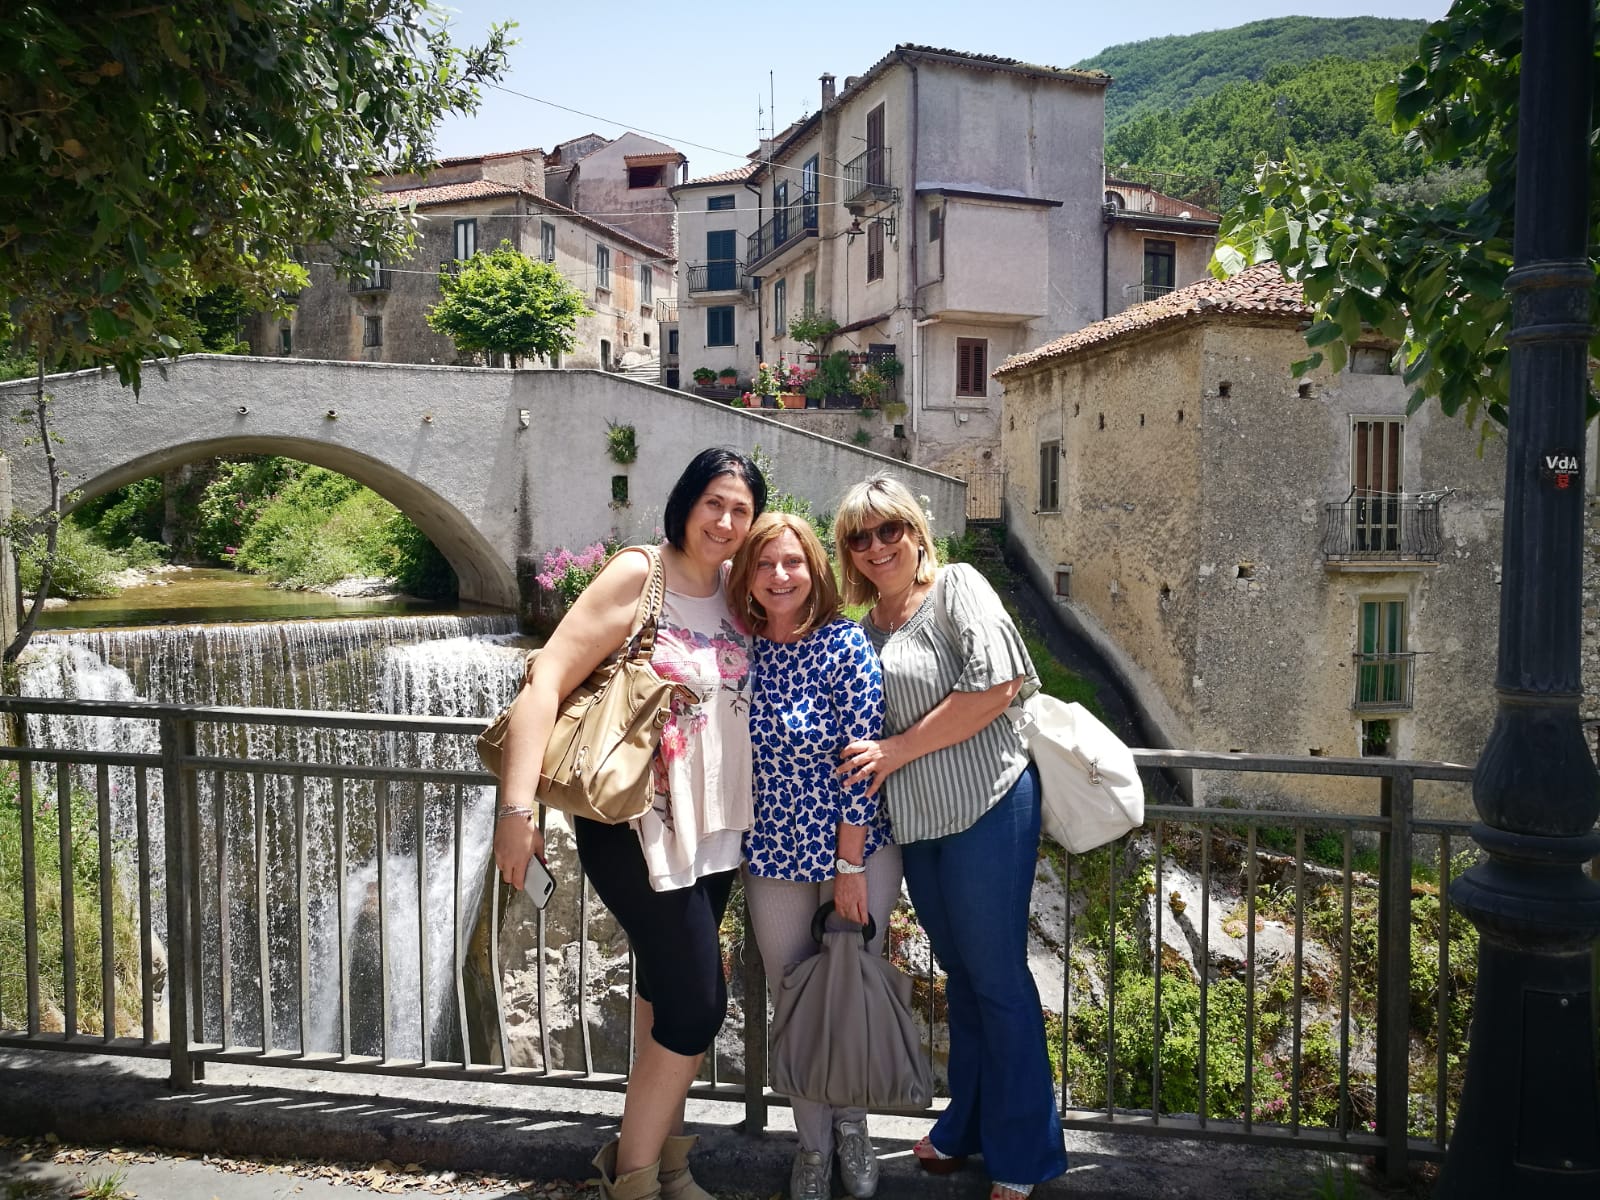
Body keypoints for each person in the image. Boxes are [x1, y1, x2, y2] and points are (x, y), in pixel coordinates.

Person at [493, 447, 767, 1200]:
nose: (726, 520)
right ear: (685, 502)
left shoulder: (733, 588)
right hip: (633, 825)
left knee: (661, 999)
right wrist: (518, 811)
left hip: (712, 831)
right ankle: (635, 1181)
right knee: (698, 1003)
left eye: (741, 509)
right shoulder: (638, 573)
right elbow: (545, 676)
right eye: (714, 502)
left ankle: (665, 1165)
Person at [832, 475, 1066, 1200]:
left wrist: (898, 752)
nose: (876, 547)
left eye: (888, 530)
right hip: (920, 827)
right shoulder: (866, 630)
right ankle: (965, 1126)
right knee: (962, 981)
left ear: (914, 530)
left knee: (997, 981)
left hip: (988, 807)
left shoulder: (957, 587)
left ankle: (1026, 1153)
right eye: (859, 538)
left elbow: (999, 685)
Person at [727, 513, 901, 1200]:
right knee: (792, 1002)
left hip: (851, 852)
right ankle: (811, 1146)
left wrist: (849, 867)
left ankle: (853, 1130)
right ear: (749, 575)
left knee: (847, 996)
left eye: (792, 562)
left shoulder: (843, 645)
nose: (779, 575)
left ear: (815, 571)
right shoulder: (741, 649)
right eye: (765, 563)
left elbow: (860, 763)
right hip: (771, 852)